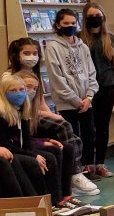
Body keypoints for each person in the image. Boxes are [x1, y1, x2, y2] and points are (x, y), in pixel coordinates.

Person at [6, 37, 95, 195]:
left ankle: (71, 178)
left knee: (74, 140)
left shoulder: (35, 74)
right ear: (16, 55)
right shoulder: (9, 77)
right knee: (63, 126)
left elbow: (40, 104)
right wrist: (53, 118)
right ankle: (75, 173)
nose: (31, 57)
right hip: (22, 120)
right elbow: (21, 109)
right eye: (27, 53)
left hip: (34, 116)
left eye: (35, 53)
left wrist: (54, 115)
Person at [0, 74, 62, 202]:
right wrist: (33, 156)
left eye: (21, 89)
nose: (18, 93)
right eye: (13, 90)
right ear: (4, 92)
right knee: (33, 163)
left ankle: (56, 201)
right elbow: (2, 144)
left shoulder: (21, 106)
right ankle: (38, 202)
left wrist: (34, 153)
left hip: (11, 147)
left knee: (51, 156)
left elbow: (26, 138)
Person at [43, 9, 101, 192]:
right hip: (67, 102)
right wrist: (75, 100)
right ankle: (74, 172)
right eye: (66, 23)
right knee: (72, 136)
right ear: (58, 25)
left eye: (73, 23)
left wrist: (89, 96)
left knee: (89, 134)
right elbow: (57, 78)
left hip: (86, 101)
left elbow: (91, 72)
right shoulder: (53, 47)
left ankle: (87, 168)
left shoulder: (83, 47)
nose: (70, 26)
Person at [15, 70, 81, 201]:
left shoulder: (26, 107)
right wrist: (41, 145)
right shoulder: (15, 109)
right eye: (28, 87)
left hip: (28, 143)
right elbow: (17, 140)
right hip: (18, 147)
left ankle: (67, 194)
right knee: (53, 152)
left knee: (68, 147)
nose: (31, 91)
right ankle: (56, 199)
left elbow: (27, 137)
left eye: (35, 89)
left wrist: (46, 140)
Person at [80, 2, 114, 179]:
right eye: (90, 16)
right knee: (87, 129)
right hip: (85, 90)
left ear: (103, 17)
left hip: (106, 87)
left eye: (97, 15)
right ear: (85, 19)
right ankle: (87, 164)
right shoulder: (79, 39)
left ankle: (100, 164)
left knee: (102, 127)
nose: (95, 19)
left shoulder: (112, 39)